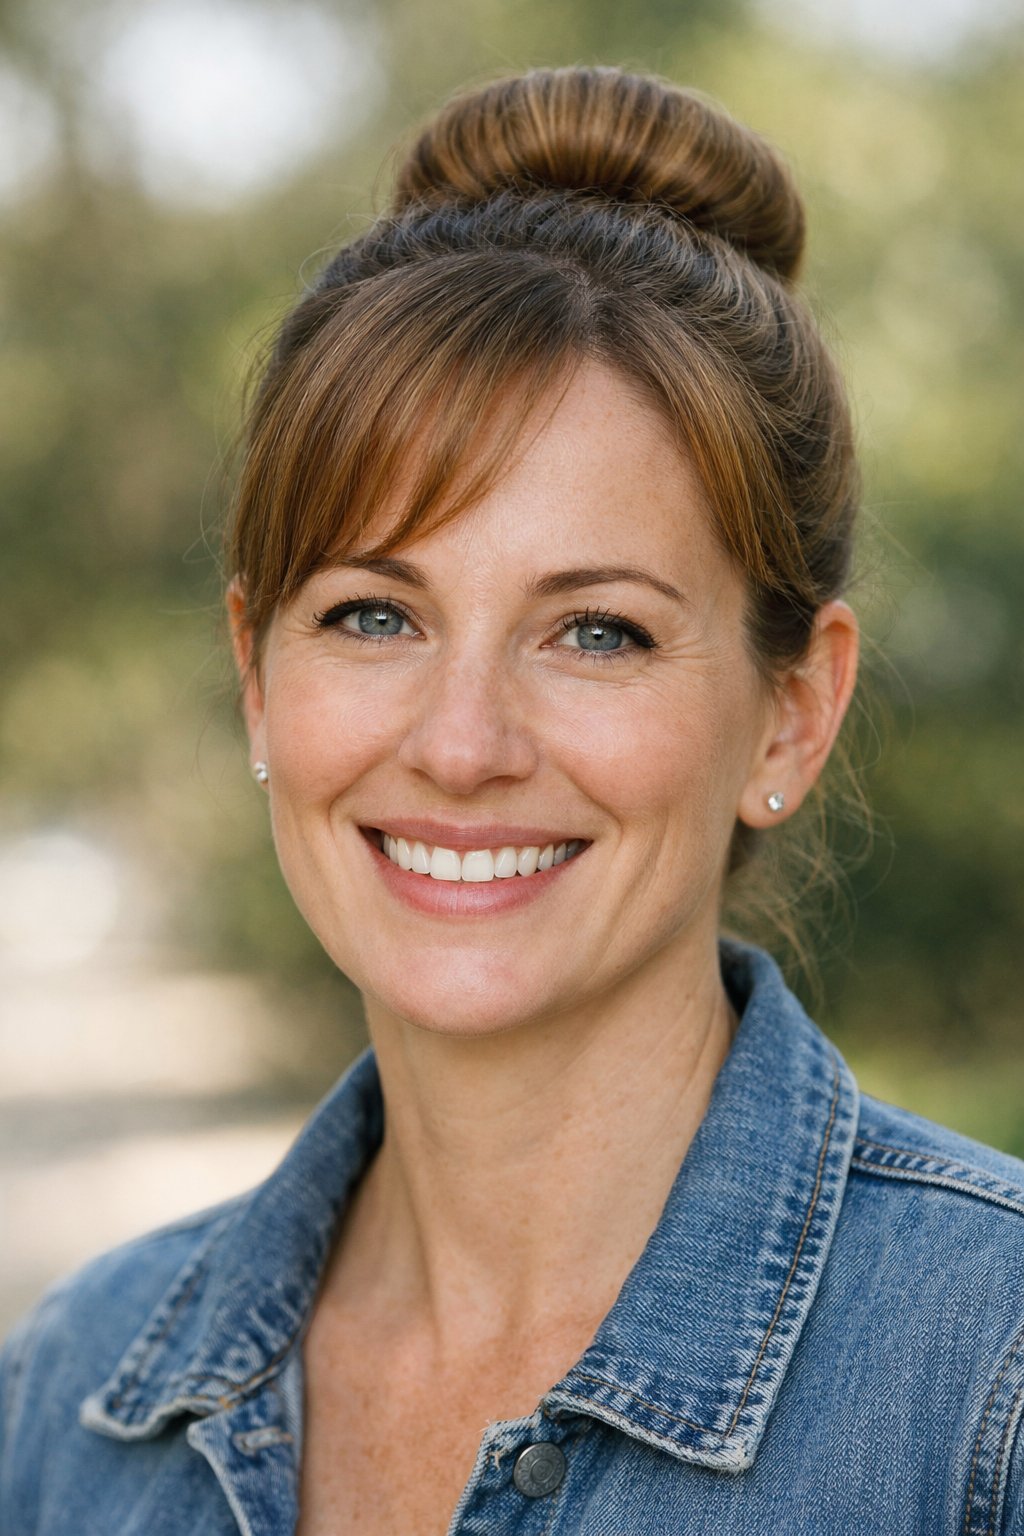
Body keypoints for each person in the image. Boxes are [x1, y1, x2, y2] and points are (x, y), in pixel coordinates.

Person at [2, 64, 1023, 1536]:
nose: (463, 743)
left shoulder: (985, 1387)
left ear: (791, 714)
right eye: (373, 615)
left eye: (595, 631)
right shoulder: (74, 1402)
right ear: (255, 677)